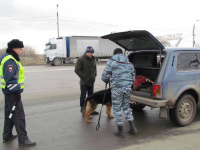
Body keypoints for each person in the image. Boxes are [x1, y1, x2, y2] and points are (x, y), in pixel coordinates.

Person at [0, 39, 36, 146]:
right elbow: (10, 78)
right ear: (14, 49)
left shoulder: (7, 57)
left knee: (9, 114)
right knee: (18, 115)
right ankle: (23, 139)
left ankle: (7, 135)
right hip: (12, 92)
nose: (21, 51)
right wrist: (16, 93)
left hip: (8, 92)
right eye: (20, 49)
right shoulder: (10, 60)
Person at [101, 48, 137, 138]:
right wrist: (129, 85)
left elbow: (105, 76)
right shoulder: (129, 63)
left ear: (114, 53)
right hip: (127, 88)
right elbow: (133, 76)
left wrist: (106, 80)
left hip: (117, 89)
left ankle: (120, 131)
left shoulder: (112, 62)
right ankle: (133, 128)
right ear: (122, 54)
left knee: (117, 109)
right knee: (126, 107)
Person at [75, 46, 98, 115]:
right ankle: (83, 110)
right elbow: (77, 69)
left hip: (91, 81)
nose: (91, 54)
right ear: (87, 52)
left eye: (92, 53)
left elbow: (94, 68)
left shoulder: (93, 59)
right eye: (90, 53)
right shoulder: (81, 59)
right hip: (84, 82)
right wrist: (83, 77)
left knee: (91, 96)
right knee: (83, 96)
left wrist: (95, 75)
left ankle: (91, 110)